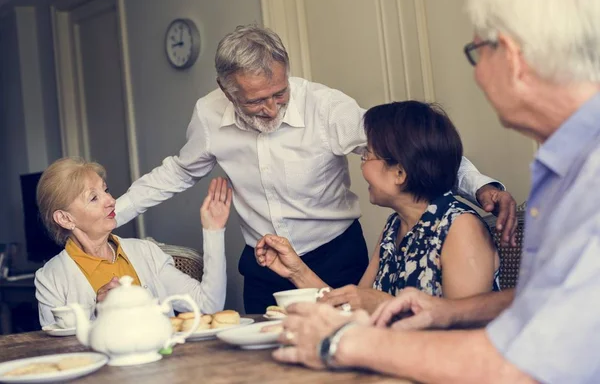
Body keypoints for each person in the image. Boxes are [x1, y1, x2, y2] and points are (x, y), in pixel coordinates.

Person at [273, 0, 600, 382]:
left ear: (513, 59)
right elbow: (547, 305)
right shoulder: (566, 167)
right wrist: (447, 311)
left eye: (476, 52)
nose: (479, 75)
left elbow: (527, 366)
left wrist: (340, 343)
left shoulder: (590, 178)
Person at [115, 24, 517, 313]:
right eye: (256, 101)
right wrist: (111, 213)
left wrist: (480, 185)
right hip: (266, 263)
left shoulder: (326, 108)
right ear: (227, 91)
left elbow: (412, 146)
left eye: (280, 94)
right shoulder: (208, 116)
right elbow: (179, 171)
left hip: (337, 255)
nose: (271, 109)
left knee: (344, 346)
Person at [255, 100, 500, 313]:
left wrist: (383, 305)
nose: (362, 167)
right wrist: (296, 271)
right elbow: (352, 307)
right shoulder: (396, 225)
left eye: (367, 156)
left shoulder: (460, 227)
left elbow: (463, 329)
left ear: (400, 172)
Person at [34, 157, 231, 327]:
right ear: (65, 219)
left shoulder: (146, 252)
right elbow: (60, 350)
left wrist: (214, 231)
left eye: (106, 190)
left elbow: (209, 305)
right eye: (94, 198)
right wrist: (98, 312)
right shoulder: (51, 279)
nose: (111, 200)